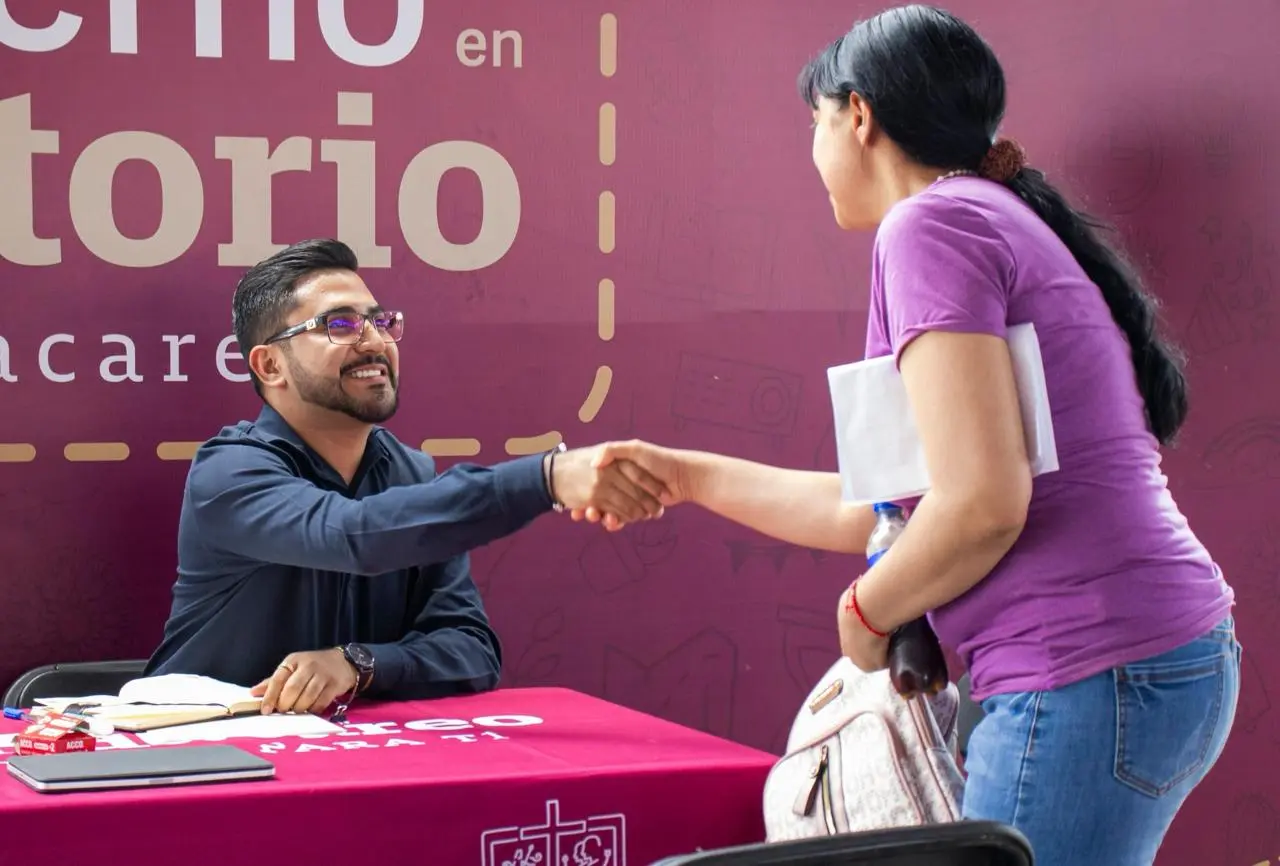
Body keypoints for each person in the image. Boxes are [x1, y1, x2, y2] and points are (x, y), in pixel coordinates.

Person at [573, 7, 1239, 864]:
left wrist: (866, 610)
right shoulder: (982, 218)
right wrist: (688, 475)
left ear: (858, 115)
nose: (813, 153)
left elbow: (985, 504)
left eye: (814, 123)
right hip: (1140, 662)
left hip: (1085, 671)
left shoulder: (929, 227)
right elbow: (891, 515)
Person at [145, 238, 665, 716]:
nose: (374, 341)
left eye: (380, 322)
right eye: (340, 325)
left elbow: (471, 650)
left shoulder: (412, 475)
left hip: (359, 765)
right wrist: (545, 479)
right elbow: (354, 535)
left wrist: (357, 664)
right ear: (270, 365)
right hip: (201, 765)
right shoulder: (230, 470)